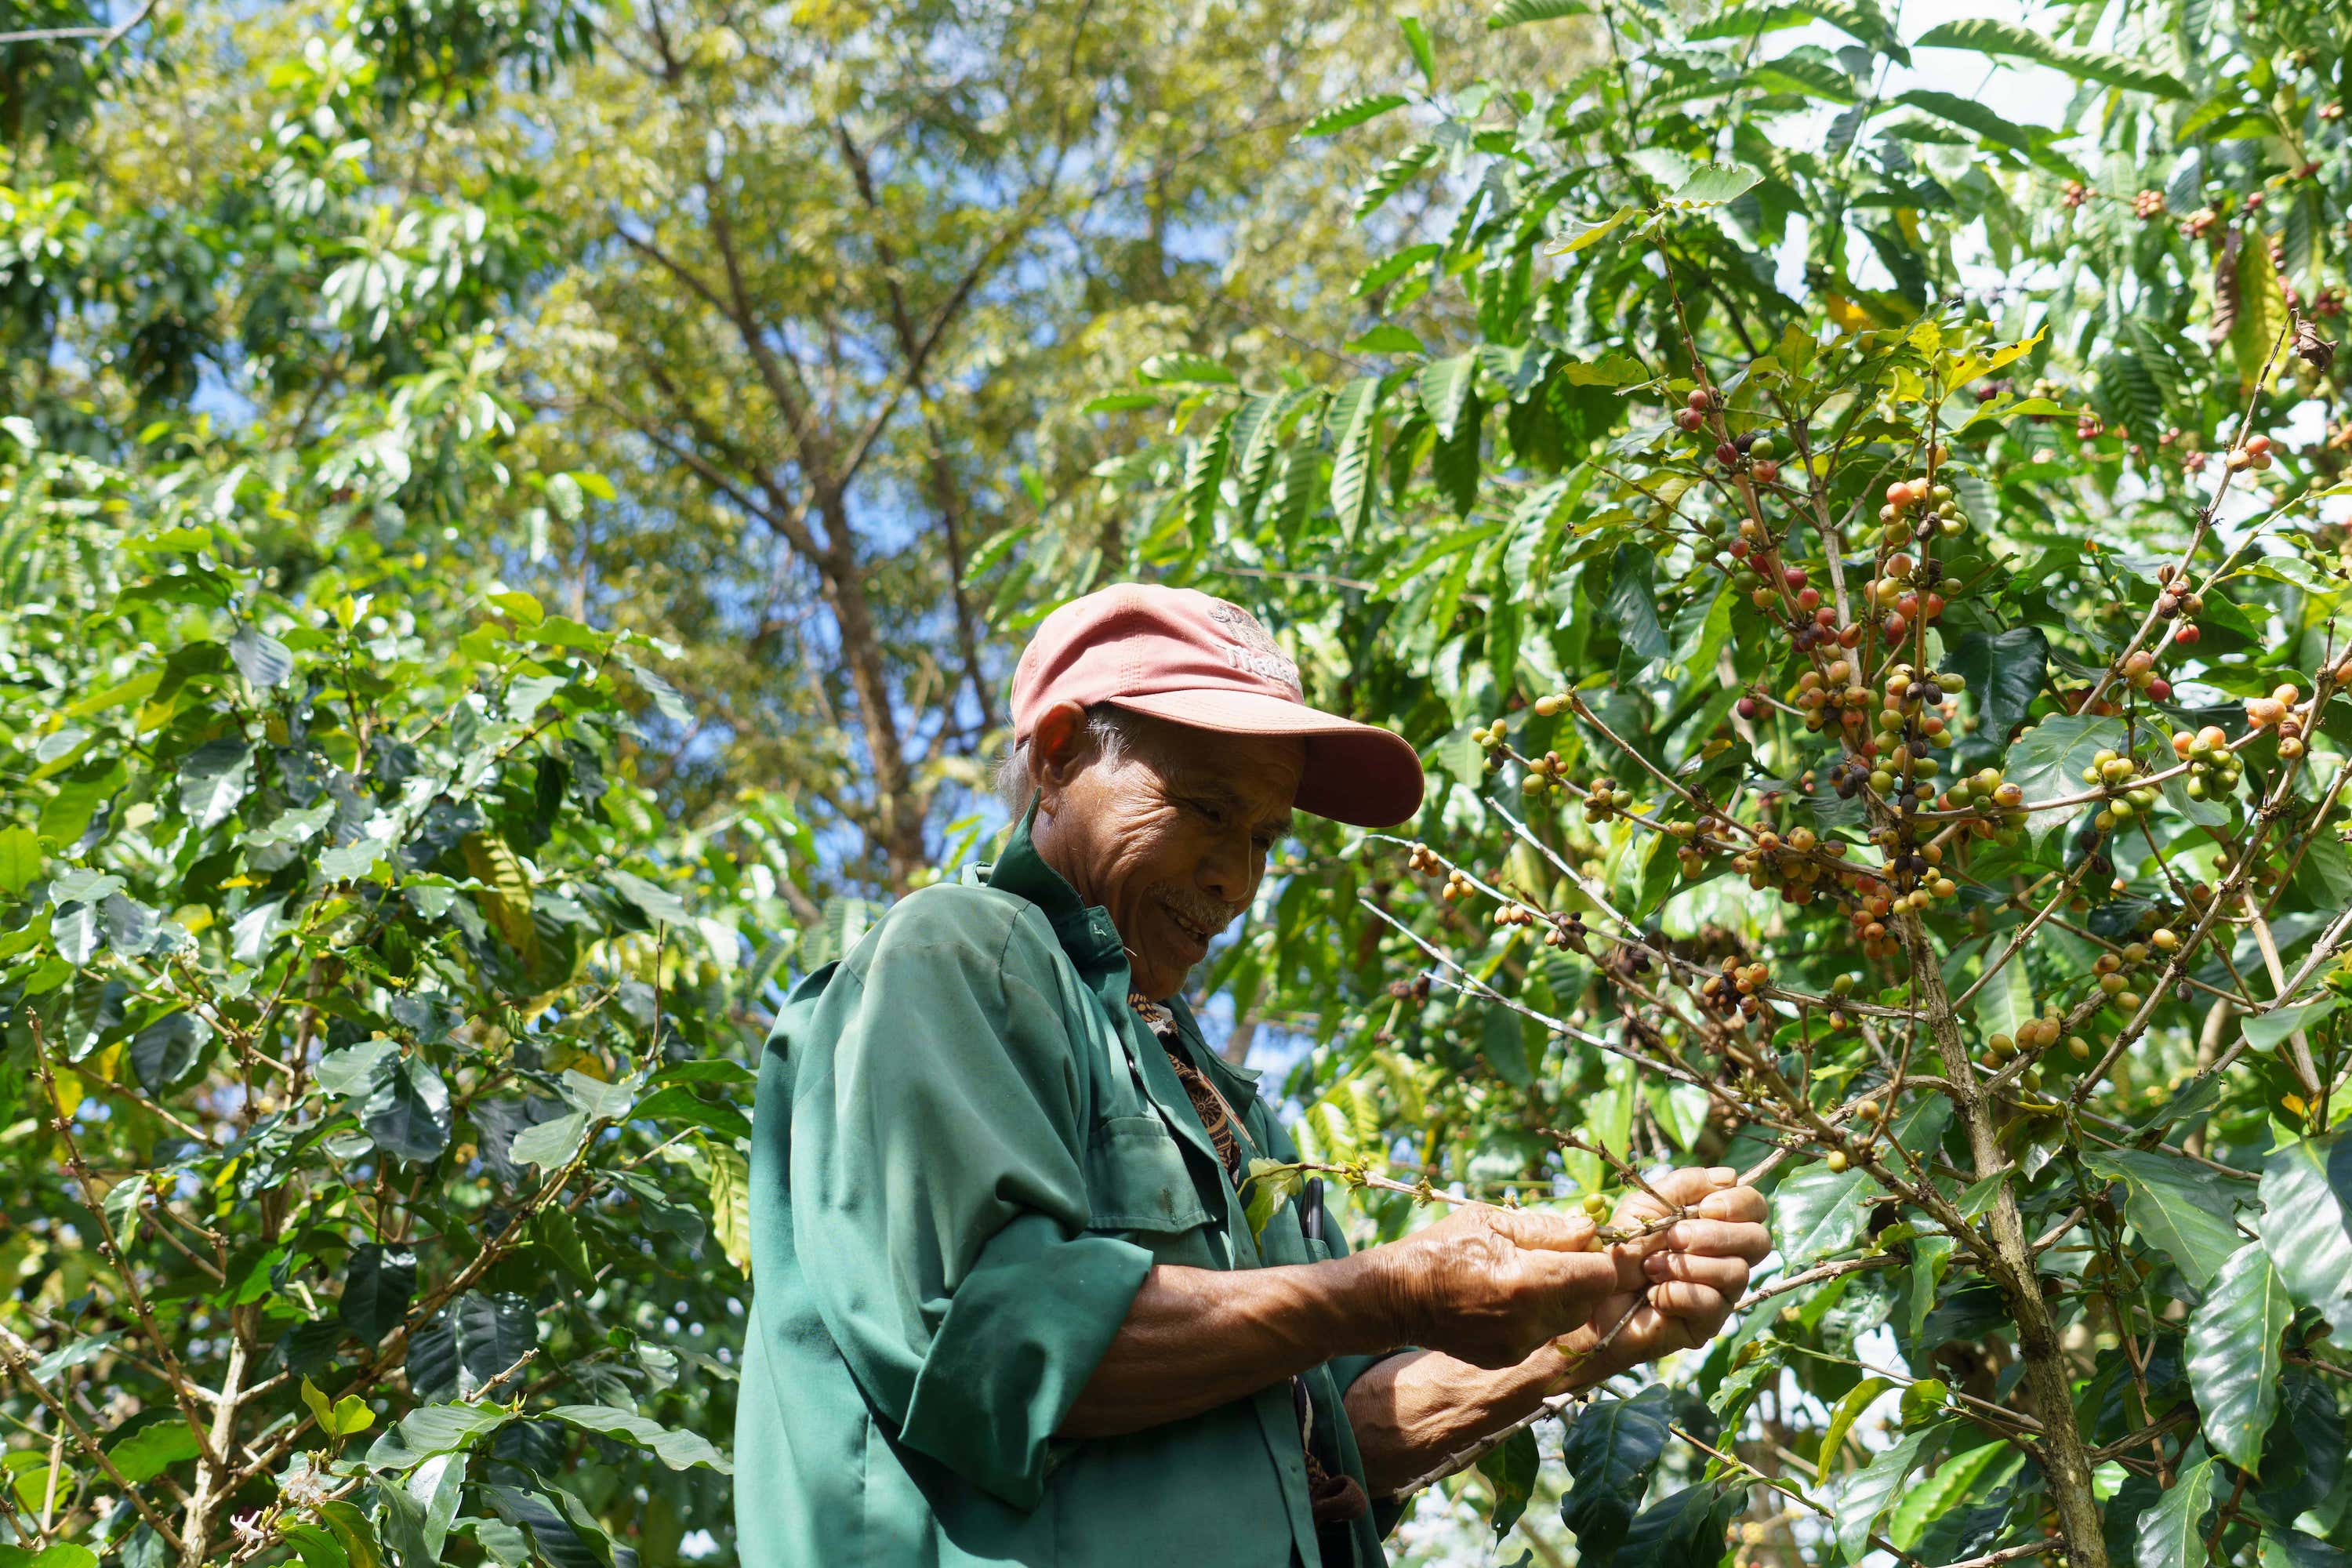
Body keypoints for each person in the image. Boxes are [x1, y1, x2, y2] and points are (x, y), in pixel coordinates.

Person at [734, 583, 1772, 1566]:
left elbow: (1336, 1427)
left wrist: (1592, 1330)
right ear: (1057, 757)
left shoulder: (1226, 1104)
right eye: (1204, 808)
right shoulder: (958, 956)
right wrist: (1395, 1288)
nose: (1235, 878)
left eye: (1265, 836)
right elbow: (996, 1342)